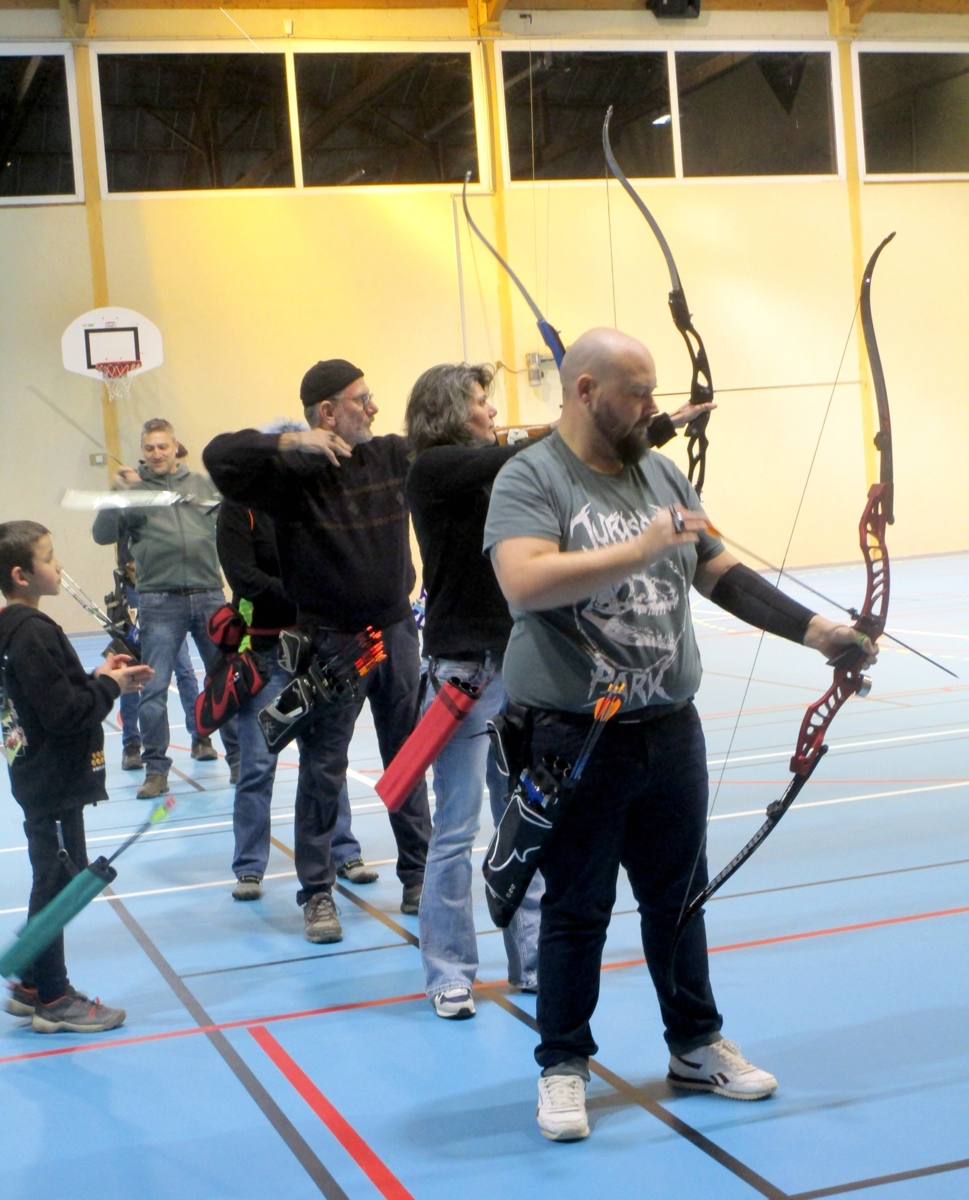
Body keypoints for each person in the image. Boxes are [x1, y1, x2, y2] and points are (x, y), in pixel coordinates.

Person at [482, 327, 877, 1141]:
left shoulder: (659, 473)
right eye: (635, 391)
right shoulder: (530, 476)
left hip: (667, 728)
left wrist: (817, 632)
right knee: (577, 907)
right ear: (585, 390)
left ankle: (694, 1045)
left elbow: (717, 571)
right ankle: (563, 1065)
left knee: (678, 898)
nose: (650, 407)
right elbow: (523, 581)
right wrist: (640, 546)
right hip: (573, 736)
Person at [203, 360, 431, 938]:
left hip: (396, 633)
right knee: (323, 768)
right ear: (327, 412)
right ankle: (318, 893)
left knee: (407, 758)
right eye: (361, 399)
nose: (374, 408)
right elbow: (218, 456)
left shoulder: (389, 456)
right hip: (333, 642)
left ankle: (419, 876)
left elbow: (459, 450)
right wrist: (291, 443)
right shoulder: (290, 479)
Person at [217, 427, 379, 914]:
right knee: (257, 763)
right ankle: (250, 865)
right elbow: (244, 578)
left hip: (319, 648)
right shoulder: (239, 507)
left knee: (327, 759)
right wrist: (306, 591)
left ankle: (344, 851)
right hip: (268, 652)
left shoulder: (311, 499)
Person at [0, 520, 152, 1032]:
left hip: (36, 776)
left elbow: (49, 696)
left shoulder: (13, 629)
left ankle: (30, 983)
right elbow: (65, 714)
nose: (58, 566)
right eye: (48, 558)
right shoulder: (32, 632)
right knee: (61, 883)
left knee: (54, 876)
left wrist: (99, 677)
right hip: (53, 780)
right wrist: (110, 688)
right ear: (21, 575)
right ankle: (54, 997)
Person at [92, 418, 239, 799]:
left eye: (162, 446)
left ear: (176, 447)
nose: (156, 454)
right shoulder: (133, 491)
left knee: (226, 681)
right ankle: (156, 771)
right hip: (158, 601)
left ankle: (239, 760)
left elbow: (235, 520)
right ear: (142, 451)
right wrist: (116, 493)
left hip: (209, 595)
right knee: (153, 689)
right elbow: (101, 534)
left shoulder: (202, 485)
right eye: (149, 448)